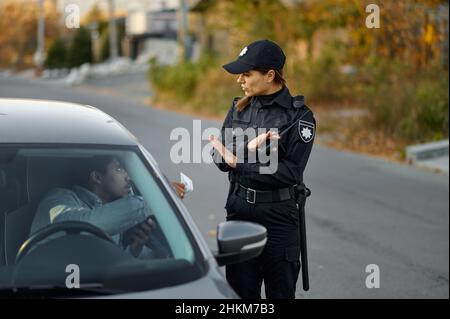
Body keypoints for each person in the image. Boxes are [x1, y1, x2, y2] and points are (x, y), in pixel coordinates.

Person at [209, 39, 316, 299]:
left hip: (279, 219)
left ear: (270, 75)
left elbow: (290, 173)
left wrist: (240, 160)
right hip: (240, 212)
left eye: (247, 74)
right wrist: (245, 154)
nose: (240, 80)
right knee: (240, 296)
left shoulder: (299, 117)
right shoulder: (238, 108)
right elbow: (219, 155)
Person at [30, 155, 184, 258]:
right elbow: (84, 226)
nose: (128, 177)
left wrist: (133, 249)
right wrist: (157, 199)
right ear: (97, 177)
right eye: (118, 169)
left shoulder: (113, 209)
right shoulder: (57, 198)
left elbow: (106, 264)